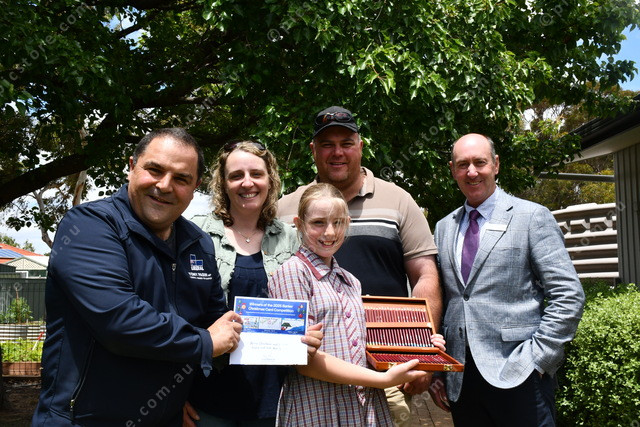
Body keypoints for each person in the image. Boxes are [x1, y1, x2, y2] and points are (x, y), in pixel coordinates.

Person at [32, 128, 243, 426]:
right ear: (131, 166)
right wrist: (206, 342)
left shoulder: (198, 243)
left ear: (195, 186)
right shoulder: (89, 226)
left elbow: (217, 323)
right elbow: (119, 321)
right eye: (154, 170)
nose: (164, 185)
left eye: (181, 179)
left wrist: (289, 336)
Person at [277, 106, 441, 425]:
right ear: (313, 150)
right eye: (327, 144)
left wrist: (421, 352)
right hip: (312, 388)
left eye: (346, 143)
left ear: (361, 147)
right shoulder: (284, 208)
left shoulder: (399, 201)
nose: (337, 152)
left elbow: (425, 275)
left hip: (387, 377)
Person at [430, 133, 585, 426]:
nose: (472, 172)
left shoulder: (532, 217)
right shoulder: (443, 227)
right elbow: (447, 301)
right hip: (462, 379)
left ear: (496, 165)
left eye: (480, 162)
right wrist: (437, 370)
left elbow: (568, 295)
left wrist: (539, 360)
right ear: (452, 170)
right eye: (463, 164)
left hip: (520, 374)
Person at [183, 141, 321, 426]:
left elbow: (316, 300)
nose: (247, 183)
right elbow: (172, 310)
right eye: (236, 176)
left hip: (277, 400)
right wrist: (174, 395)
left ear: (270, 179)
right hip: (207, 400)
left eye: (256, 174)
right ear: (223, 184)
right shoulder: (193, 233)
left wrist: (311, 334)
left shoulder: (292, 239)